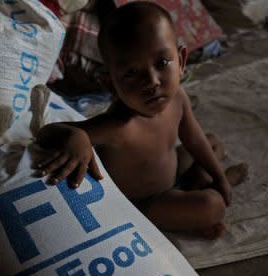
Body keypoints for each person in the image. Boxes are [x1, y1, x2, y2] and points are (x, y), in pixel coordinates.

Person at [32, 1, 248, 238]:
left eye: (162, 63)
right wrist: (77, 136)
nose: (152, 81)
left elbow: (193, 139)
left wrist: (218, 177)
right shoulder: (118, 125)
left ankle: (206, 181)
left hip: (172, 170)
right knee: (212, 205)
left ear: (182, 61)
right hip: (147, 202)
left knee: (212, 142)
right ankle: (200, 191)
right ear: (109, 84)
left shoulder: (178, 97)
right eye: (131, 73)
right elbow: (45, 133)